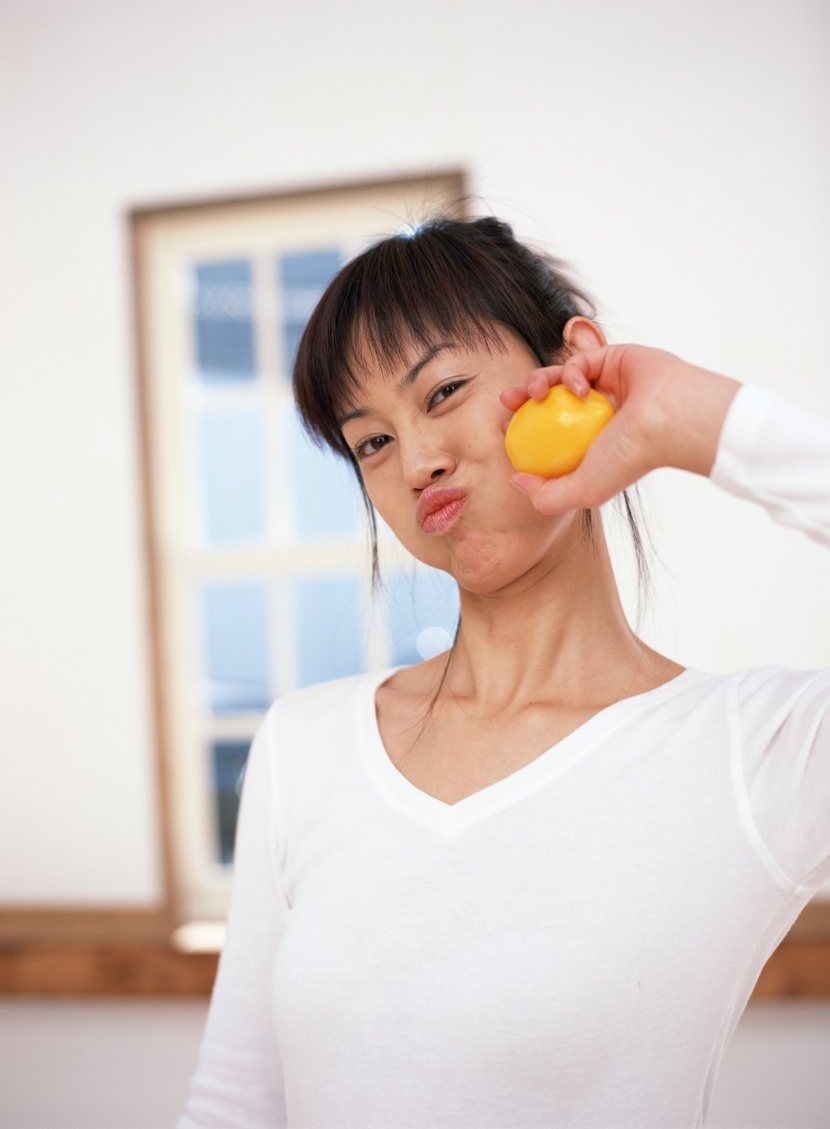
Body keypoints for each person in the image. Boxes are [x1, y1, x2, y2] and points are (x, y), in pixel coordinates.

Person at [178, 216, 830, 1129]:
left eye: (443, 390)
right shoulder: (305, 745)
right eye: (370, 441)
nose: (417, 462)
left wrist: (695, 419)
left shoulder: (752, 754)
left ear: (575, 367)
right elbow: (233, 1106)